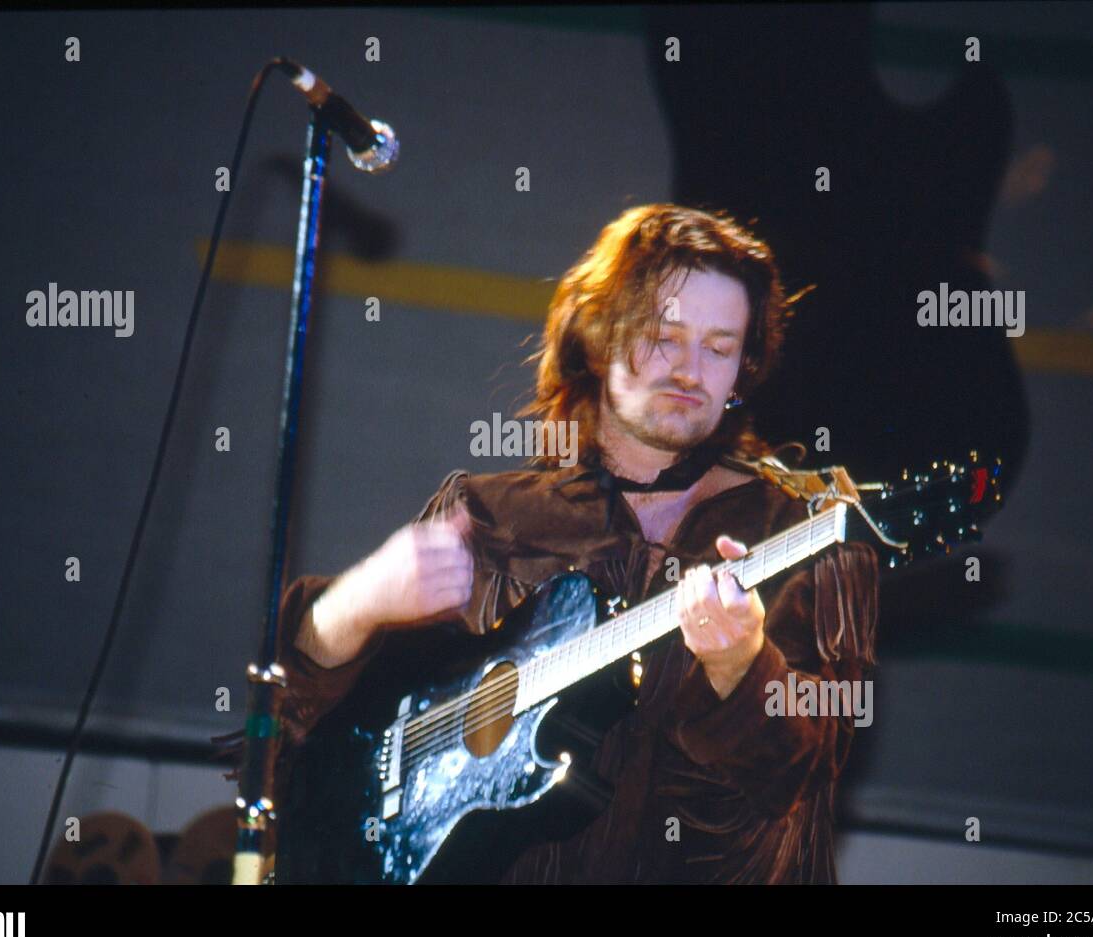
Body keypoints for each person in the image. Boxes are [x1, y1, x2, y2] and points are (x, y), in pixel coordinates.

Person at [256, 204, 879, 883]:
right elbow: (292, 742)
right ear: (599, 336)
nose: (690, 369)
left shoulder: (802, 533)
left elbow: (805, 776)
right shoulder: (490, 516)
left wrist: (742, 667)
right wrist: (354, 607)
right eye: (663, 335)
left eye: (720, 347)